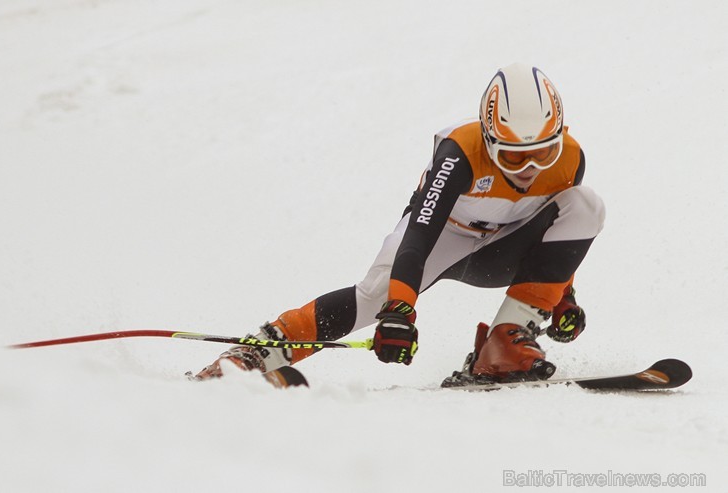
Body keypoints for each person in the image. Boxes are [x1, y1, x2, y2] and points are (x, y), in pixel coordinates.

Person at [194, 63, 605, 384]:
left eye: (544, 151)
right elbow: (420, 235)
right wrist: (399, 313)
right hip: (444, 237)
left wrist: (561, 298)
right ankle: (258, 352)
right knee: (373, 299)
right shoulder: (459, 153)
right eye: (514, 157)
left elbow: (558, 232)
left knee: (586, 203)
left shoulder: (570, 158)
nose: (531, 168)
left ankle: (506, 339)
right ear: (489, 138)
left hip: (505, 249)